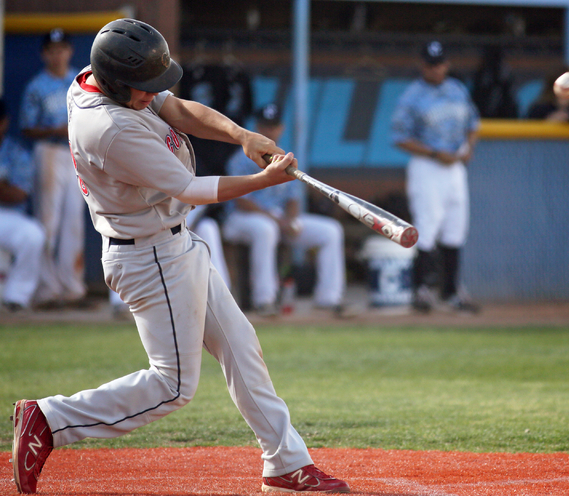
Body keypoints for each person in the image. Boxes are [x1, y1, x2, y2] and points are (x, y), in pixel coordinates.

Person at [11, 19, 349, 495]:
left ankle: (285, 462)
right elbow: (191, 188)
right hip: (147, 257)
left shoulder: (101, 76)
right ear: (112, 82)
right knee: (173, 387)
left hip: (172, 241)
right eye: (143, 88)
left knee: (240, 345)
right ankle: (49, 419)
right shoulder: (107, 127)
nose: (152, 95)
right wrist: (262, 182)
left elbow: (177, 108)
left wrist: (242, 135)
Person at [222, 103, 354, 318]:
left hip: (277, 218)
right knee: (266, 229)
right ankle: (264, 301)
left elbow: (293, 199)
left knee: (331, 230)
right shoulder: (241, 157)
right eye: (265, 126)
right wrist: (278, 221)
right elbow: (241, 201)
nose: (269, 131)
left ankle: (330, 298)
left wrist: (291, 221)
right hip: (241, 219)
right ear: (256, 127)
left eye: (273, 127)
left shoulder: (285, 158)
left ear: (281, 128)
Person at [391, 40, 481, 314]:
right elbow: (399, 137)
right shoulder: (412, 96)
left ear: (447, 63)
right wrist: (433, 153)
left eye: (440, 63)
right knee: (427, 227)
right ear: (423, 66)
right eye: (431, 64)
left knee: (456, 227)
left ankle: (452, 291)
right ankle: (423, 290)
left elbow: (473, 124)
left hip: (454, 168)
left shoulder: (457, 89)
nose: (436, 69)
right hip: (427, 166)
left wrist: (468, 148)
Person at [19, 28, 88, 308]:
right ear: (44, 54)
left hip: (76, 152)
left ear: (69, 51)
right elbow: (26, 128)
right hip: (49, 151)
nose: (57, 54)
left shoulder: (80, 82)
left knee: (75, 220)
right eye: (52, 50)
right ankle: (46, 290)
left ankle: (72, 288)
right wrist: (55, 129)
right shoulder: (37, 85)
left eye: (61, 49)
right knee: (48, 221)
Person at [0, 99, 46, 312]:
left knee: (33, 234)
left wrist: (7, 189)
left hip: (7, 216)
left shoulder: (15, 151)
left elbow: (19, 193)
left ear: (4, 123)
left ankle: (16, 297)